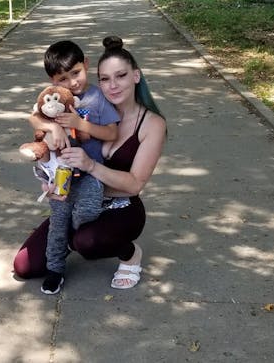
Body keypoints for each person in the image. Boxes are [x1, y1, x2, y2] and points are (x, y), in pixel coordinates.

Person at [14, 36, 166, 291]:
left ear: (136, 76)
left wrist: (90, 167)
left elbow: (135, 185)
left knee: (88, 241)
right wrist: (54, 181)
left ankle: (129, 253)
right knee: (24, 267)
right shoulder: (87, 103)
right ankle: (68, 237)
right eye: (105, 78)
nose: (113, 85)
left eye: (121, 76)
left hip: (121, 204)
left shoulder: (152, 124)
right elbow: (37, 117)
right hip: (73, 197)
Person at [27, 40, 120, 295]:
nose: (72, 83)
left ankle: (73, 235)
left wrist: (82, 124)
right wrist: (54, 127)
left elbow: (112, 132)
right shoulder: (52, 99)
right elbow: (33, 117)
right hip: (61, 174)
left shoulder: (97, 97)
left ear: (86, 64)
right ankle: (55, 269)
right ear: (53, 80)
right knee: (58, 221)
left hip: (90, 172)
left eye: (76, 73)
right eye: (63, 79)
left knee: (86, 212)